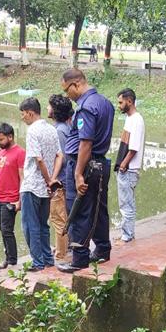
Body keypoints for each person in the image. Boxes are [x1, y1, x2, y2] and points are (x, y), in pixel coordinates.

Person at [57, 68, 115, 272]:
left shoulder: (86, 107)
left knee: (79, 210)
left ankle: (79, 258)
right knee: (99, 210)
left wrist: (78, 173)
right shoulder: (105, 102)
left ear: (76, 84)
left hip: (85, 165)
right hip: (100, 164)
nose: (67, 96)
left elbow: (85, 143)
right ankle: (102, 249)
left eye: (67, 90)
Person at [18, 97, 62, 270]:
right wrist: (52, 179)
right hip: (46, 188)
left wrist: (47, 178)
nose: (22, 118)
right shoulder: (52, 129)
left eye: (23, 114)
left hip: (32, 186)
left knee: (30, 226)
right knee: (43, 225)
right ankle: (48, 260)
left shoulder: (32, 131)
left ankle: (38, 262)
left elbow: (38, 159)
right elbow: (59, 155)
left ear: (30, 113)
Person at [0, 123, 25, 270]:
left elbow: (22, 177)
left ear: (10, 137)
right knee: (2, 230)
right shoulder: (0, 152)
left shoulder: (20, 153)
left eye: (1, 139)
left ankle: (12, 260)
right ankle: (8, 258)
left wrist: (20, 200)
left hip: (11, 199)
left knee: (7, 230)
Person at [115, 88, 145, 242]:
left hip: (129, 169)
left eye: (121, 102)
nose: (119, 105)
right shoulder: (129, 118)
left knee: (127, 205)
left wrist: (123, 165)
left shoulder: (137, 120)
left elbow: (134, 148)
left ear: (129, 101)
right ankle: (126, 233)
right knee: (125, 203)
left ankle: (127, 236)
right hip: (125, 168)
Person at [48, 94, 74, 262]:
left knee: (58, 219)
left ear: (55, 111)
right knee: (61, 218)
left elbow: (63, 157)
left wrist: (53, 178)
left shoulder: (59, 131)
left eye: (49, 106)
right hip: (64, 180)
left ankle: (61, 255)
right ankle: (62, 249)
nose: (47, 109)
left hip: (61, 182)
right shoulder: (64, 128)